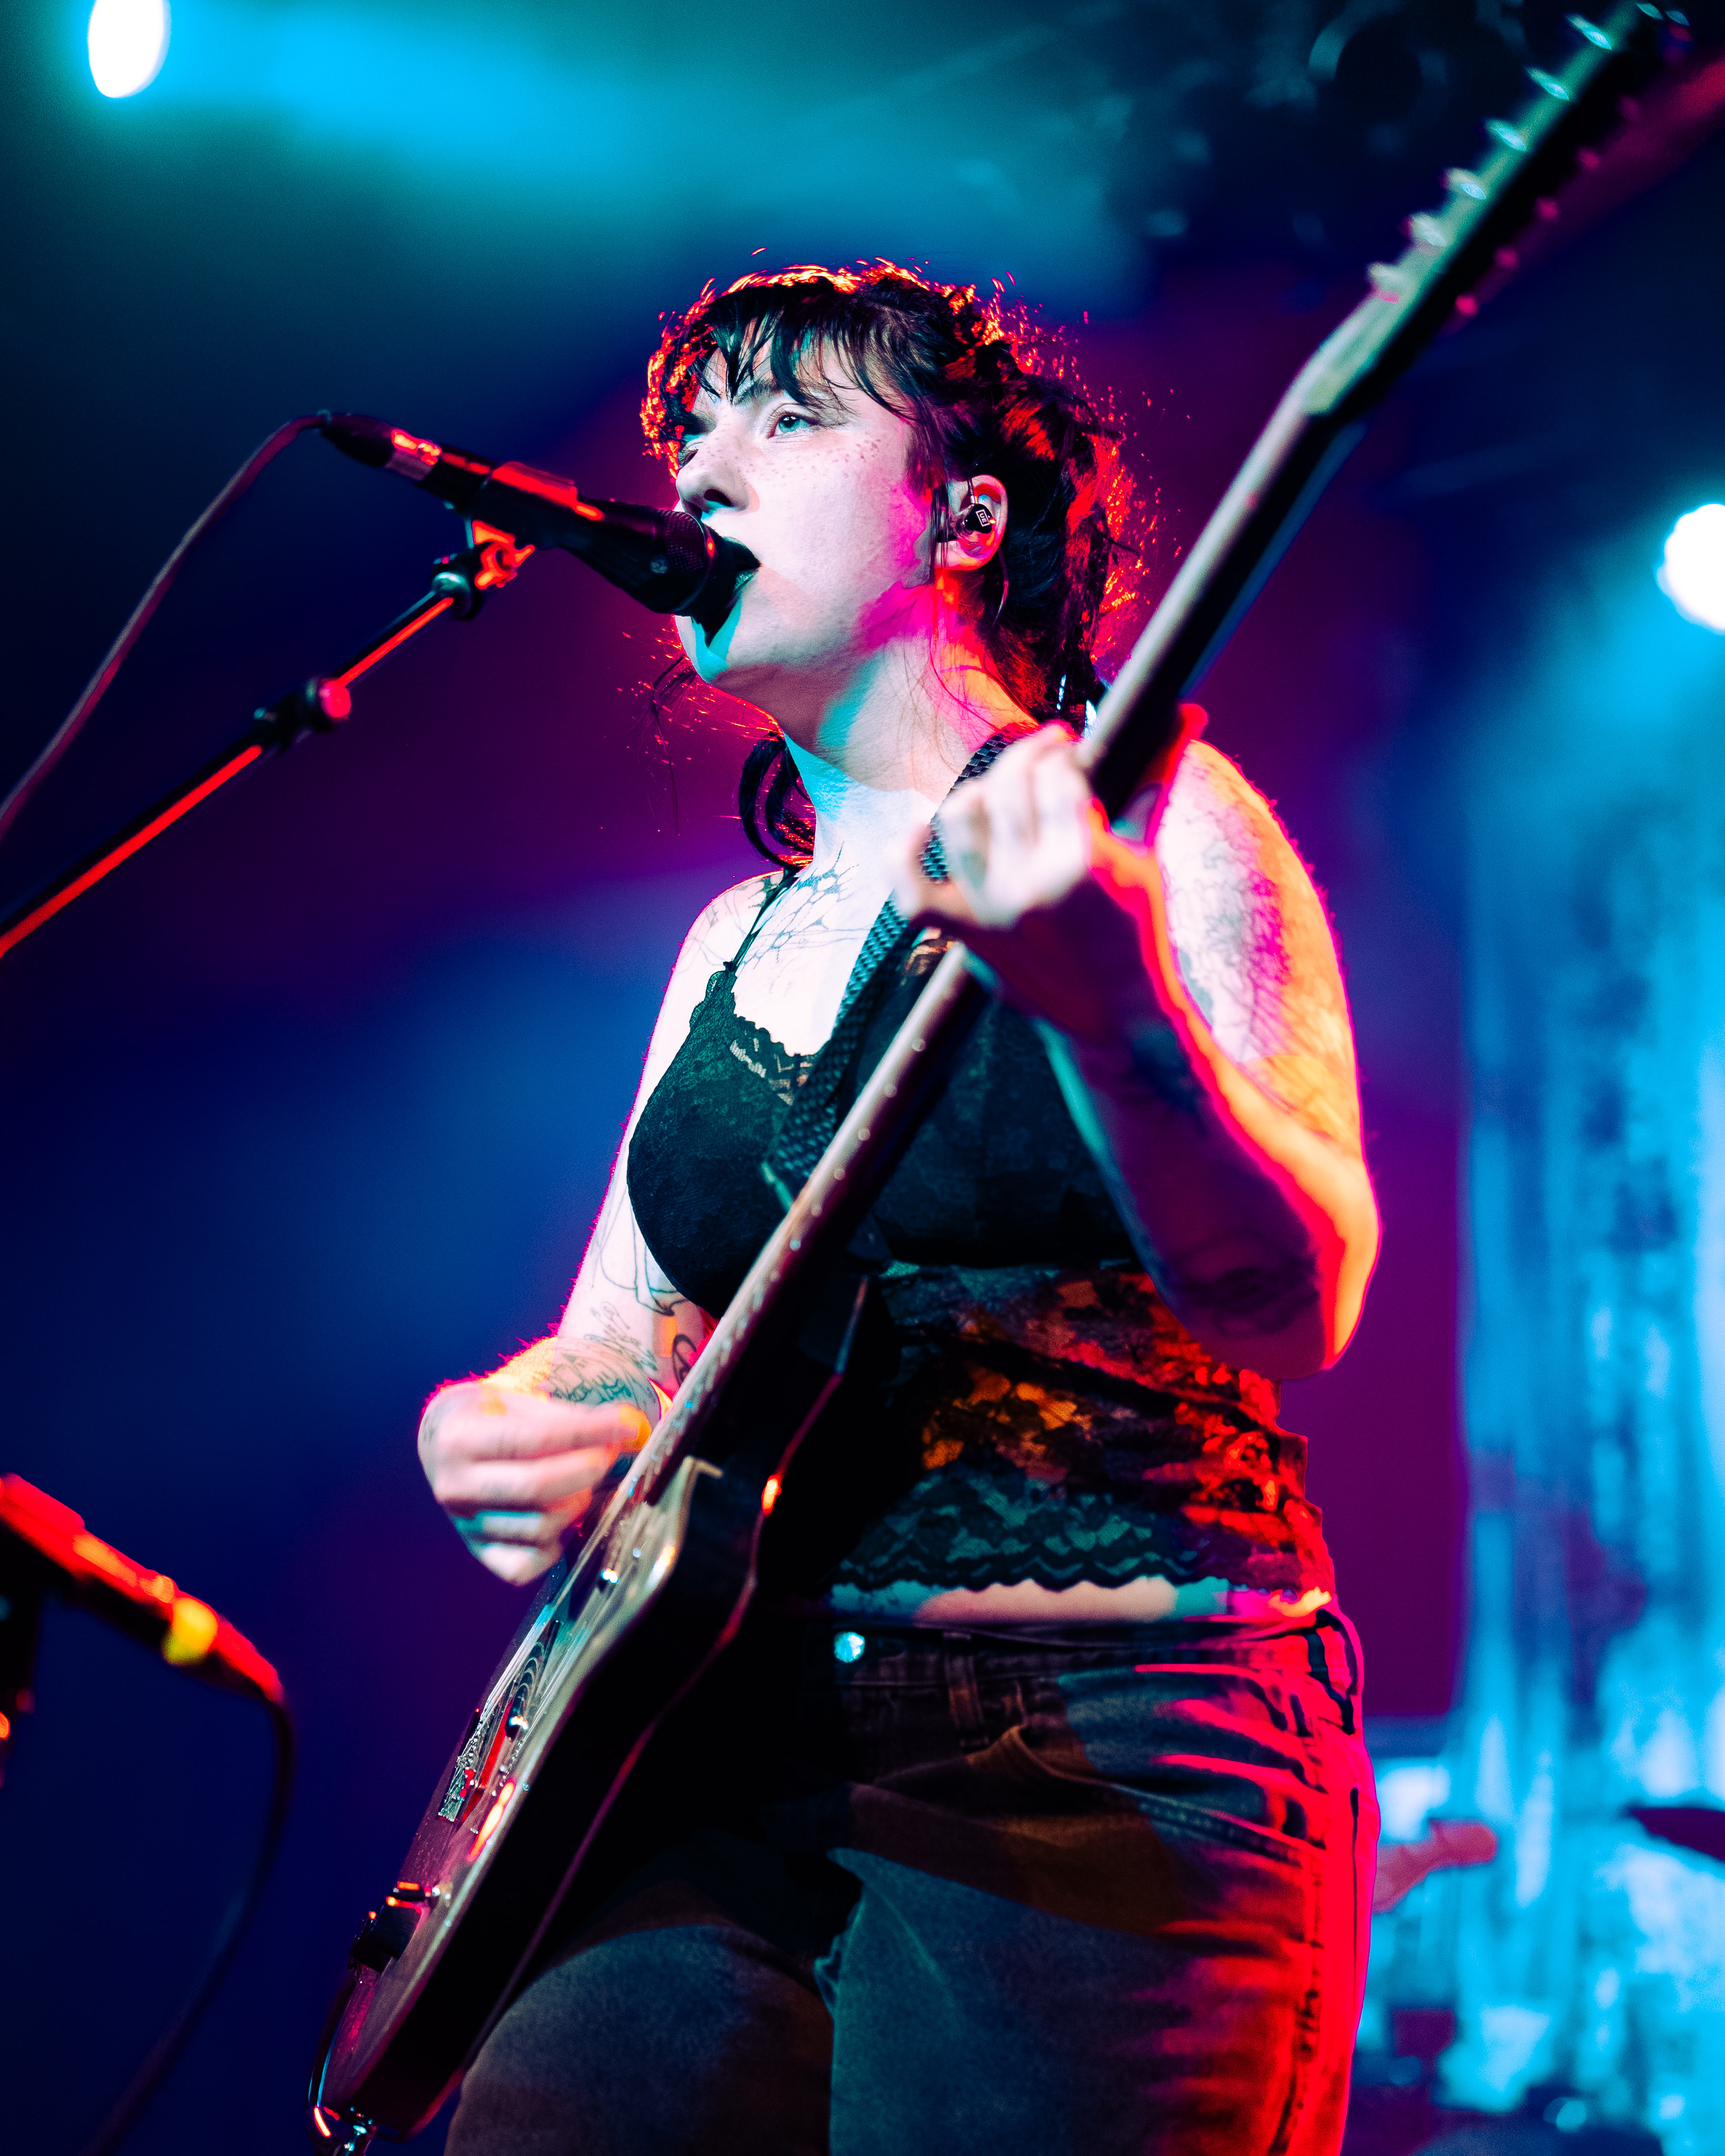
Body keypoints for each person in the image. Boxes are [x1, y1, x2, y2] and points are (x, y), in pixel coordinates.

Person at [418, 262, 1382, 2155]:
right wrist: (521, 1424)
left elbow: (1299, 1295)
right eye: (696, 439)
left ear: (965, 518)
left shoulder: (1155, 820)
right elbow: (624, 1346)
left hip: (1103, 1762)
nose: (705, 473)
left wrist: (1108, 1008)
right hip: (716, 1743)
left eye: (789, 422)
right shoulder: (730, 938)